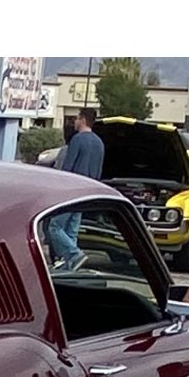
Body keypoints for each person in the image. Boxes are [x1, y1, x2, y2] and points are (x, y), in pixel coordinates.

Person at [47, 107, 106, 271]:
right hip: (87, 193)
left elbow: (68, 168)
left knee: (55, 227)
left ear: (83, 120)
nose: (74, 121)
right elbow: (98, 171)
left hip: (72, 191)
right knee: (72, 230)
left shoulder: (78, 140)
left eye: (77, 118)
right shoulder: (99, 143)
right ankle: (70, 267)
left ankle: (74, 254)